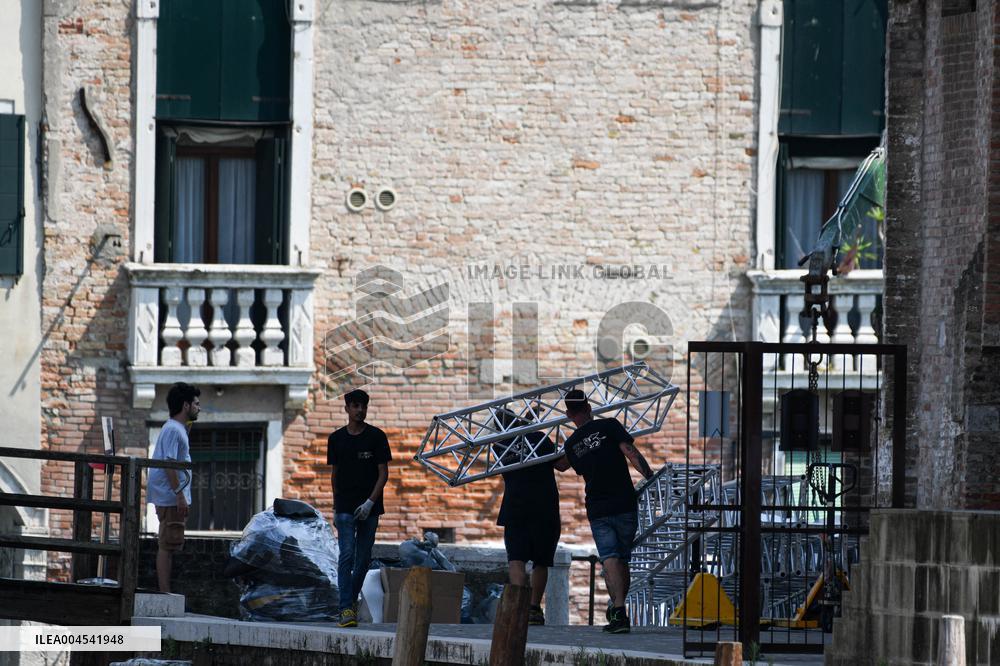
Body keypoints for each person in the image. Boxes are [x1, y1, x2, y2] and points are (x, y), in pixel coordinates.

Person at [553, 389, 654, 634]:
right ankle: (618, 609)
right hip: (624, 502)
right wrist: (650, 477)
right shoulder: (609, 425)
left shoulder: (572, 444)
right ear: (589, 408)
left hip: (598, 507)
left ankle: (618, 611)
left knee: (610, 556)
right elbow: (631, 453)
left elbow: (562, 465)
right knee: (622, 558)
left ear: (568, 415)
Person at [327, 388, 391, 628]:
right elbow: (335, 475)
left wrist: (370, 502)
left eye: (363, 406)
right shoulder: (336, 439)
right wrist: (336, 507)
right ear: (347, 408)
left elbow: (383, 474)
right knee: (346, 554)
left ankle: (350, 600)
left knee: (363, 559)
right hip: (344, 506)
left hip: (370, 507)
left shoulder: (376, 437)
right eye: (355, 406)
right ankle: (345, 608)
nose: (360, 410)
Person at [492, 409, 561, 626]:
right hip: (544, 507)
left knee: (516, 560)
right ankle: (534, 609)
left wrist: (526, 420)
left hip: (515, 508)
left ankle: (519, 608)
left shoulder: (498, 447)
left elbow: (516, 441)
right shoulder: (539, 437)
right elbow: (561, 464)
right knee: (541, 561)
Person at [148, 382, 200, 594]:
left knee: (170, 543)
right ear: (186, 405)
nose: (199, 408)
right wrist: (179, 495)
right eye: (196, 404)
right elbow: (169, 463)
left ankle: (166, 591)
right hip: (170, 496)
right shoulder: (173, 430)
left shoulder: (177, 428)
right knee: (167, 544)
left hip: (172, 495)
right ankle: (165, 592)